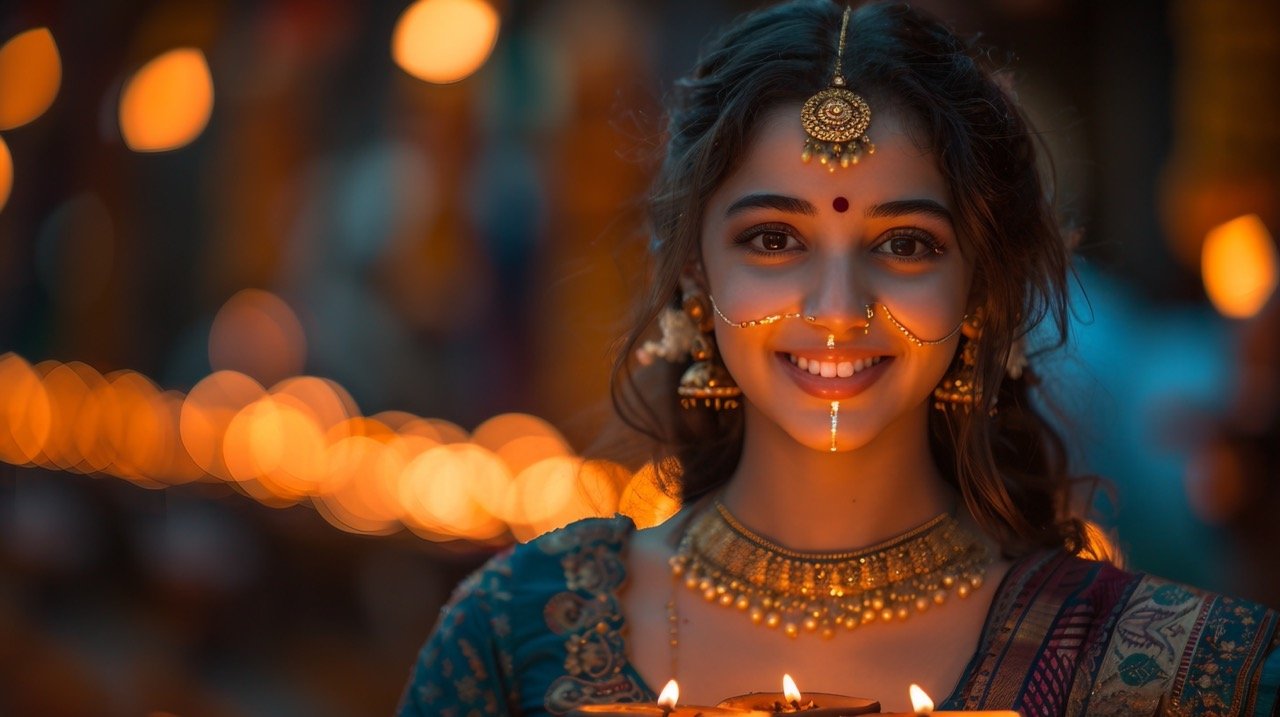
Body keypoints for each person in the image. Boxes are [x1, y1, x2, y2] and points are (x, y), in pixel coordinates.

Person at [396, 1, 1280, 714]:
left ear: (979, 290)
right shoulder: (518, 635)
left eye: (903, 244)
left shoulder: (1165, 670)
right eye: (775, 238)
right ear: (697, 277)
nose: (834, 310)